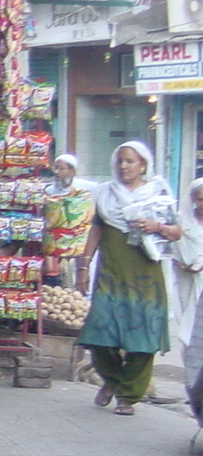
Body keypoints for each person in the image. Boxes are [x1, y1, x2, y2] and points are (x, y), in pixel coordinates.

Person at [78, 141, 174, 416]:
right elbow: (96, 230)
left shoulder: (157, 192)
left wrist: (158, 226)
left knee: (143, 341)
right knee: (100, 335)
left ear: (143, 164)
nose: (123, 166)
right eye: (120, 161)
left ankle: (128, 396)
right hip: (111, 275)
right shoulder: (106, 193)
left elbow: (177, 231)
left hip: (146, 277)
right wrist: (84, 265)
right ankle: (112, 380)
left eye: (130, 161)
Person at [171, 178, 203, 424]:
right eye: (200, 198)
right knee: (188, 336)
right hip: (187, 284)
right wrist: (182, 262)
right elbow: (173, 249)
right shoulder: (183, 223)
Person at [44, 153, 96, 290]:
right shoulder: (49, 191)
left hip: (79, 247)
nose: (56, 172)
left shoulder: (86, 189)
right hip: (56, 248)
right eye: (55, 168)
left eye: (61, 169)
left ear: (72, 171)